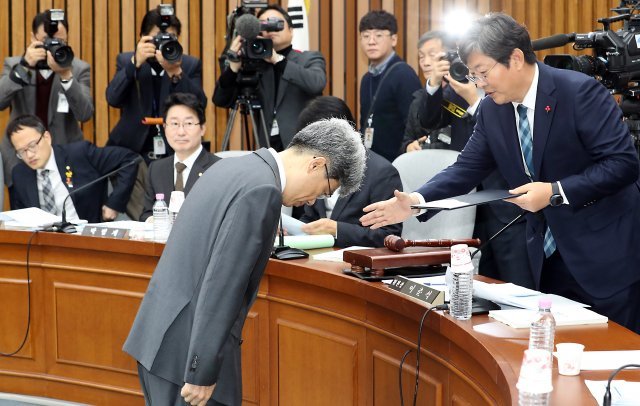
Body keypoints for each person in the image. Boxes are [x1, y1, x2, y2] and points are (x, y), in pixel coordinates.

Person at [361, 13, 640, 333]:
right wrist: (416, 200)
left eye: (483, 73)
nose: (479, 84)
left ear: (516, 58)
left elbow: (622, 163)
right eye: (473, 75)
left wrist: (555, 191)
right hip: (549, 258)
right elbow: (466, 168)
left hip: (607, 257)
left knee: (617, 354)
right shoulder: (493, 110)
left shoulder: (578, 92)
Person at [124, 118, 366, 406]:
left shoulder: (231, 166)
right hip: (187, 359)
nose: (314, 201)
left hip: (158, 339)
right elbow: (223, 283)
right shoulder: (263, 190)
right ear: (316, 164)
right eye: (325, 190)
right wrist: (201, 369)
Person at [412, 30, 533, 287]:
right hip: (468, 195)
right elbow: (428, 121)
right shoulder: (453, 88)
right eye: (423, 56)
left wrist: (474, 100)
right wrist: (434, 84)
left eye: (434, 55)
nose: (476, 77)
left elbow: (507, 135)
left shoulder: (502, 91)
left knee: (514, 276)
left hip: (503, 196)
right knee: (483, 276)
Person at [213, 4, 326, 151]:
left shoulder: (309, 58)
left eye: (276, 24)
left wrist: (277, 60)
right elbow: (221, 100)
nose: (271, 30)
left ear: (291, 30)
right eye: (264, 25)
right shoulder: (254, 64)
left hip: (302, 145)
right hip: (266, 148)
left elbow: (316, 83)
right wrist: (233, 68)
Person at [0, 9, 93, 188]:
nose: (52, 46)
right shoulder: (14, 65)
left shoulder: (78, 68)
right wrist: (24, 66)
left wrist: (66, 76)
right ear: (32, 38)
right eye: (46, 41)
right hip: (21, 157)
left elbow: (85, 114)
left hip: (64, 154)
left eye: (59, 41)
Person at [106, 5, 207, 164]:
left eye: (170, 38)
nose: (163, 44)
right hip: (132, 150)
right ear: (142, 38)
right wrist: (134, 64)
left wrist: (176, 72)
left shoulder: (189, 65)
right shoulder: (126, 61)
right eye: (158, 38)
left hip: (175, 150)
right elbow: (113, 99)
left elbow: (200, 105)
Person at [297, 96, 402, 247]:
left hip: (356, 258)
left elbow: (388, 236)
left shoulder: (382, 173)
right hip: (319, 253)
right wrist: (295, 230)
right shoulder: (317, 165)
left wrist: (337, 230)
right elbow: (310, 217)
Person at [8, 115, 138, 223]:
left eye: (32, 146)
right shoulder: (19, 174)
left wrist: (114, 203)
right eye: (21, 151)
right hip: (42, 242)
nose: (29, 155)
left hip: (85, 237)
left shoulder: (79, 154)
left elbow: (129, 159)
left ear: (47, 138)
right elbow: (20, 219)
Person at [140, 92, 221, 221]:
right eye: (174, 124)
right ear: (165, 127)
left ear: (202, 128)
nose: (181, 132)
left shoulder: (218, 168)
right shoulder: (156, 169)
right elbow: (146, 213)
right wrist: (152, 220)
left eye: (188, 123)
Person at [358, 10, 422, 162]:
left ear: (394, 40)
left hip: (398, 163)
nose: (371, 41)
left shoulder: (404, 75)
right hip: (372, 163)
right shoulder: (366, 79)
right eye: (366, 36)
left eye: (379, 35)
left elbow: (415, 127)